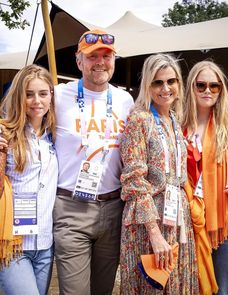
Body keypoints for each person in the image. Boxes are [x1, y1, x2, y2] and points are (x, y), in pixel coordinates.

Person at [53, 29, 134, 295]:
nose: (100, 61)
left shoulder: (125, 100)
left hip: (113, 209)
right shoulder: (56, 95)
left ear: (114, 60)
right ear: (79, 61)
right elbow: (17, 118)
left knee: (103, 290)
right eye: (92, 56)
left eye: (106, 55)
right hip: (70, 209)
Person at [119, 53, 199, 294]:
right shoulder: (140, 119)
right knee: (152, 285)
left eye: (171, 81)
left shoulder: (174, 118)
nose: (166, 88)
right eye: (157, 82)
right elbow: (134, 180)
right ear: (147, 85)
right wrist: (154, 233)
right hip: (148, 220)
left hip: (177, 217)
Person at [0, 65, 58, 295]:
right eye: (29, 94)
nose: (36, 101)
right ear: (18, 96)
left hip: (45, 244)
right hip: (13, 245)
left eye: (43, 93)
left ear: (51, 96)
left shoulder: (54, 135)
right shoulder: (6, 134)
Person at [182, 60, 228, 295]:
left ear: (221, 90)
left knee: (223, 287)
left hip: (225, 218)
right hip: (187, 219)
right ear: (191, 87)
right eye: (201, 85)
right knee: (191, 284)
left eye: (214, 86)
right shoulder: (177, 124)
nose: (207, 91)